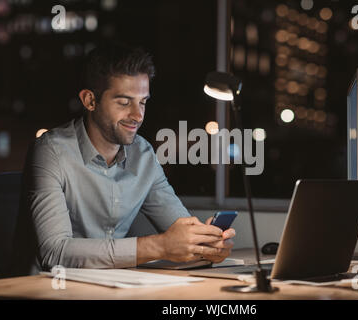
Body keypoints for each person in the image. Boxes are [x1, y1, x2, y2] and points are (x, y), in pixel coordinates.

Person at [12, 44, 235, 275]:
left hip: (110, 288)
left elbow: (181, 231)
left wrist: (206, 244)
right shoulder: (50, 152)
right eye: (124, 102)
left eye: (143, 102)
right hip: (45, 291)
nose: (137, 115)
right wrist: (159, 246)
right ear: (90, 100)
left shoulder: (143, 155)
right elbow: (55, 253)